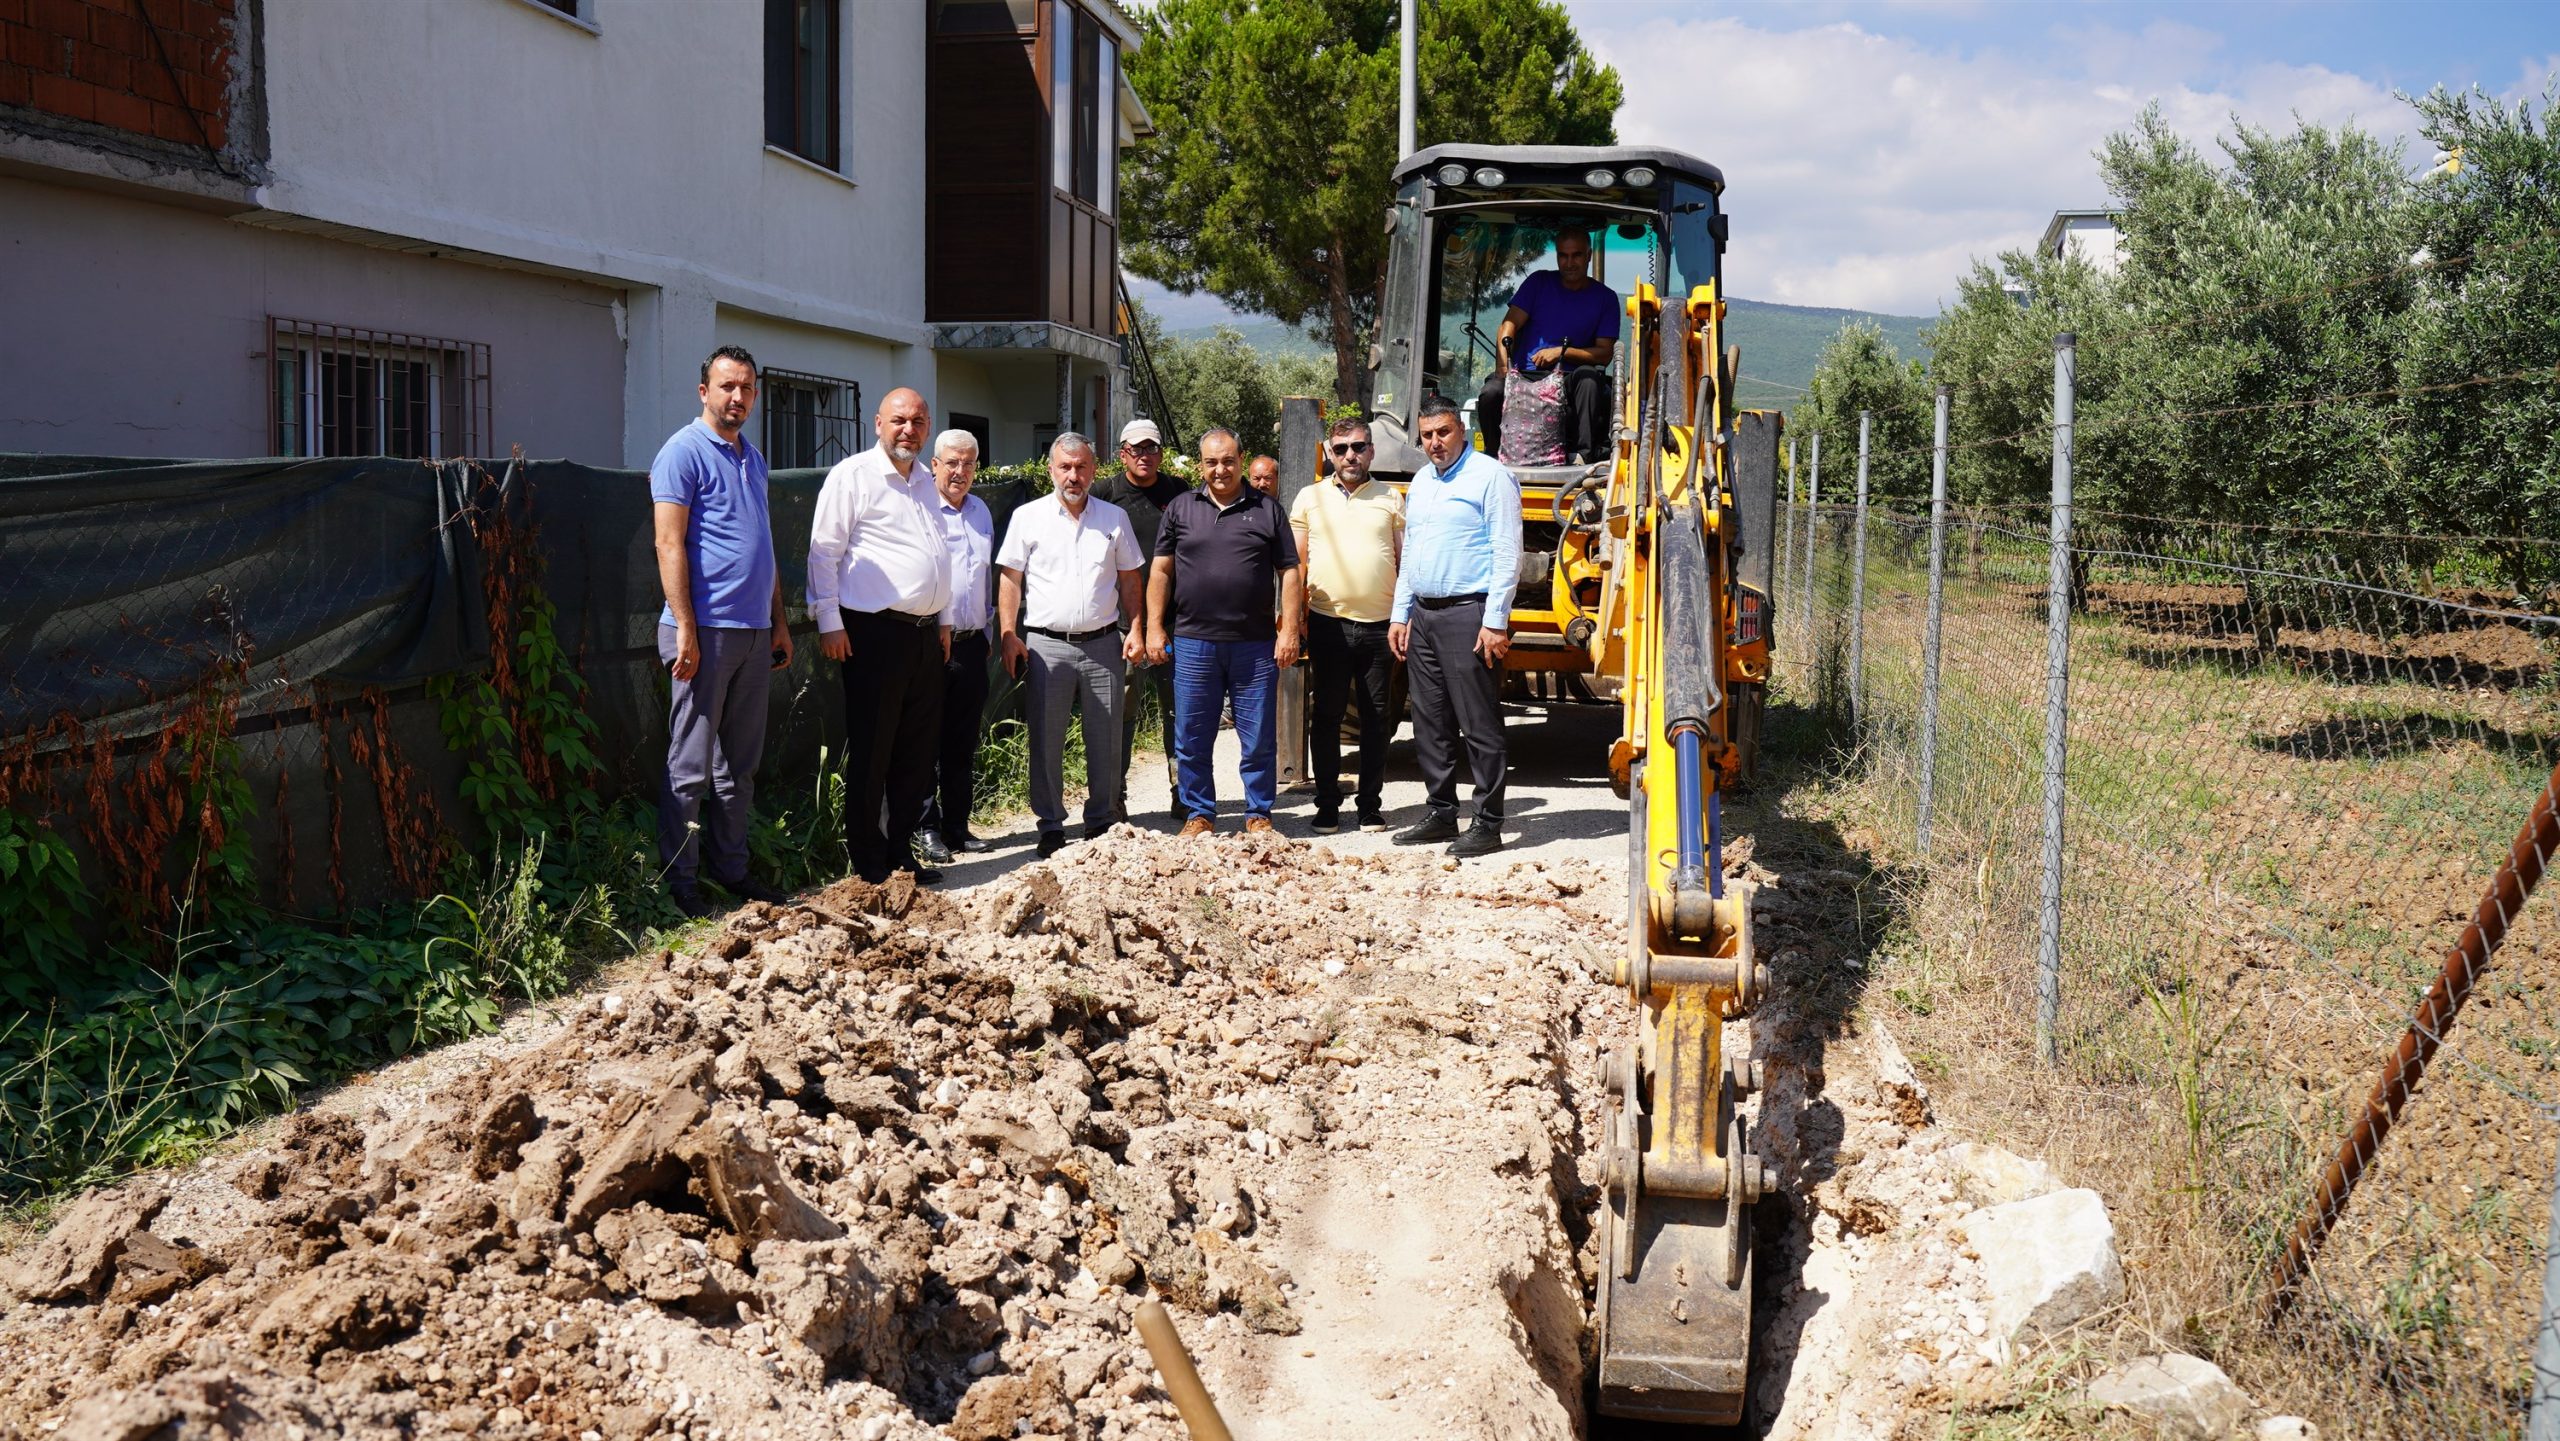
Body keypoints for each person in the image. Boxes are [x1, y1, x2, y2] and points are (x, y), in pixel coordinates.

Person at [650, 345, 793, 917]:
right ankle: (680, 885)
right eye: (727, 386)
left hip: (754, 633)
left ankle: (732, 873)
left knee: (738, 768)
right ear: (704, 391)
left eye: (747, 388)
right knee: (689, 767)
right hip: (703, 633)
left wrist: (778, 621)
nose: (738, 396)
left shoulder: (752, 458)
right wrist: (686, 626)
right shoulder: (682, 452)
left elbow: (764, 547)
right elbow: (668, 543)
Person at [809, 387, 953, 885]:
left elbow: (938, 554)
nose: (908, 430)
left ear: (928, 427)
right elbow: (823, 552)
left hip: (924, 635)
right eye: (899, 420)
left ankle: (900, 854)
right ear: (878, 423)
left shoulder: (926, 481)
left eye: (918, 421)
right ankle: (869, 863)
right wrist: (829, 621)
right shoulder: (853, 476)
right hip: (873, 633)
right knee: (874, 751)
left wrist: (944, 618)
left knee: (915, 752)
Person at [995, 434, 1149, 859]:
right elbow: (1010, 579)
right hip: (1047, 646)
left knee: (1107, 737)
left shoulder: (1114, 518)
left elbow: (1130, 579)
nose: (1073, 476)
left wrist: (1136, 628)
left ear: (1093, 470)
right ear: (1051, 470)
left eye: (1081, 467)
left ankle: (1101, 819)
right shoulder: (1028, 517)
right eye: (1065, 467)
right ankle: (1050, 826)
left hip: (1104, 644)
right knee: (1046, 740)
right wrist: (1008, 633)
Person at [1146, 428, 1302, 836]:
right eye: (1212, 462)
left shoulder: (1267, 510)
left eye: (1228, 461)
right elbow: (1160, 570)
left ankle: (1259, 814)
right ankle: (1199, 814)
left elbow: (1289, 571)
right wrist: (1154, 626)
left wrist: (1288, 629)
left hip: (1255, 645)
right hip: (1193, 643)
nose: (1220, 469)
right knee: (1191, 736)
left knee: (1258, 736)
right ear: (1201, 465)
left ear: (1240, 460)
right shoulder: (1180, 508)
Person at [1390, 395, 1520, 858]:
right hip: (1423, 616)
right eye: (1427, 435)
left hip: (1469, 614)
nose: (1435, 442)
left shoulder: (1491, 476)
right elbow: (1412, 553)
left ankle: (1487, 822)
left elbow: (1507, 551)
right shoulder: (1422, 481)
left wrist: (1495, 621)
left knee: (1478, 723)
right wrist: (1401, 613)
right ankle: (1442, 812)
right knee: (1429, 722)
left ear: (1461, 430)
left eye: (1443, 432)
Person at [1291, 416, 1404, 833]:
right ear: (1329, 453)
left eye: (1358, 447)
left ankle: (1370, 805)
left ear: (1371, 450)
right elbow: (1296, 565)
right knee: (1327, 715)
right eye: (1341, 449)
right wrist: (1292, 620)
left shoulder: (1391, 497)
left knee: (1377, 717)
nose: (1350, 456)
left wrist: (1403, 617)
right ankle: (1327, 805)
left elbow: (1404, 560)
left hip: (1379, 628)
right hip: (1328, 625)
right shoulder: (1309, 497)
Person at [1091, 418, 1189, 818]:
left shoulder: (1180, 493)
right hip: (1121, 626)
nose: (1143, 455)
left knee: (1178, 714)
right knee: (1121, 716)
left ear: (1161, 453)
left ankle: (1183, 792)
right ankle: (1115, 795)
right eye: (1136, 449)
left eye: (1151, 448)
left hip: (1175, 624)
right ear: (1122, 454)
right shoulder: (1103, 494)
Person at [915, 430, 995, 866]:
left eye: (968, 464)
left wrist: (986, 632)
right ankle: (925, 829)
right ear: (934, 465)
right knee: (924, 741)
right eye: (951, 462)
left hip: (971, 645)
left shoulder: (981, 511)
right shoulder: (921, 507)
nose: (959, 471)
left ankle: (957, 827)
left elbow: (984, 579)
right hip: (929, 644)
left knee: (962, 742)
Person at [1474, 229, 1620, 463]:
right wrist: (1503, 370)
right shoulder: (1538, 283)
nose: (1569, 263)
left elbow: (1604, 354)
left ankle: (1583, 457)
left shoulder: (1606, 298)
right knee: (1491, 392)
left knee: (1590, 379)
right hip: (1525, 375)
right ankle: (1493, 458)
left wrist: (1562, 352)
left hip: (1569, 380)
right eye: (1563, 255)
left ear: (1589, 256)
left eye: (1576, 255)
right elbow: (1508, 326)